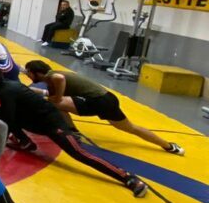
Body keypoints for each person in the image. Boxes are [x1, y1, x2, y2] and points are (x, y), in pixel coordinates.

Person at [0, 67, 148, 197]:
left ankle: (127, 177)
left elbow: (7, 122)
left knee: (79, 153)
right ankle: (25, 141)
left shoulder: (6, 91)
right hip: (39, 120)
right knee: (1, 112)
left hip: (52, 122)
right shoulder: (9, 85)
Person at [23, 60, 184, 155]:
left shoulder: (53, 76)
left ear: (37, 72)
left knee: (130, 128)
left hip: (100, 102)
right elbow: (50, 94)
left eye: (28, 72)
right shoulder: (51, 76)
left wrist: (56, 97)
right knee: (131, 128)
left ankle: (167, 145)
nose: (27, 75)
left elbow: (59, 83)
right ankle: (169, 146)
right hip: (103, 99)